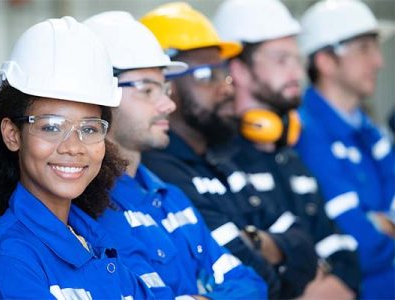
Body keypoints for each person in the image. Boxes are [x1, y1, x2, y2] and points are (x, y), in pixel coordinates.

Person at [0, 16, 153, 299]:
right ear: (13, 134)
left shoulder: (90, 237)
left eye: (89, 128)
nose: (74, 146)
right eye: (51, 127)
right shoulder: (8, 262)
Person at [84, 11, 267, 299]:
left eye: (165, 89)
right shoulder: (89, 206)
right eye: (147, 90)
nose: (168, 104)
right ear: (98, 95)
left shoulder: (169, 196)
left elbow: (251, 284)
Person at [141, 2, 318, 298]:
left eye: (223, 73)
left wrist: (254, 242)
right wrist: (273, 250)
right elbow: (262, 282)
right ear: (163, 84)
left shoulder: (225, 159)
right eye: (205, 75)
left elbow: (304, 248)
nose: (226, 88)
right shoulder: (160, 170)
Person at [213, 0, 361, 299]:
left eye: (296, 59)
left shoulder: (289, 155)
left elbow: (347, 259)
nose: (297, 71)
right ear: (239, 69)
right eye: (282, 60)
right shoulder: (217, 159)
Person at [296, 0, 395, 298]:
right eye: (364, 49)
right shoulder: (304, 133)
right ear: (325, 61)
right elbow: (357, 245)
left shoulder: (367, 129)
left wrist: (380, 221)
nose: (379, 62)